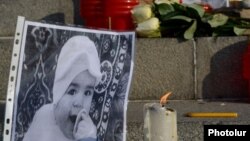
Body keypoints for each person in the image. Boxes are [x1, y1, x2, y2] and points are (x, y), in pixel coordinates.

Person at [22, 36, 102, 141]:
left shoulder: (88, 132)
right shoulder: (43, 115)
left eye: (87, 93)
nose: (79, 102)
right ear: (58, 92)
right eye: (72, 91)